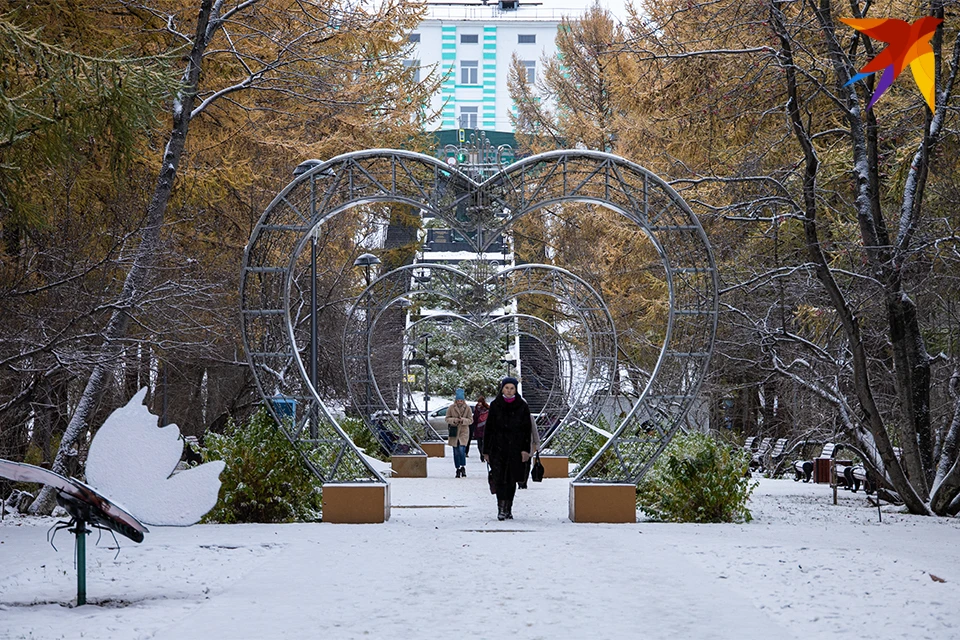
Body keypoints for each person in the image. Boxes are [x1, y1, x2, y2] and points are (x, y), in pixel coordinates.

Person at [481, 377, 538, 520]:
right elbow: (489, 429)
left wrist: (526, 450)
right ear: (502, 389)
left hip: (515, 449)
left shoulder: (522, 406)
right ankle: (500, 508)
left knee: (512, 479)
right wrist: (486, 450)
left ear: (515, 389)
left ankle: (508, 508)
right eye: (506, 388)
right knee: (499, 479)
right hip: (497, 449)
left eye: (512, 388)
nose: (509, 391)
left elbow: (527, 429)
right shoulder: (495, 405)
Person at [445, 388, 473, 478]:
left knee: (462, 450)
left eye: (461, 400)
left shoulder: (467, 408)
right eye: (458, 400)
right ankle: (457, 468)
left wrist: (463, 420)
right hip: (454, 431)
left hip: (464, 431)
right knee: (455, 452)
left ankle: (463, 466)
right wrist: (454, 420)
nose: (460, 402)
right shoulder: (451, 408)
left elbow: (471, 420)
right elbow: (447, 418)